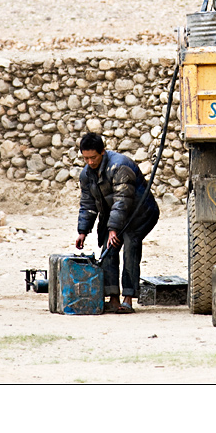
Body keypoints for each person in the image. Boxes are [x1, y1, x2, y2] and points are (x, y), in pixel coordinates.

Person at [74, 132, 159, 314]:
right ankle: (113, 298)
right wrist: (83, 231)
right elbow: (88, 204)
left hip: (140, 213)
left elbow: (122, 200)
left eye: (93, 157)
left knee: (130, 244)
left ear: (103, 152)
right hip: (115, 214)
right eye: (86, 158)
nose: (90, 162)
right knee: (108, 248)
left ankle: (128, 298)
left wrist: (114, 229)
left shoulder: (120, 167)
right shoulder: (86, 174)